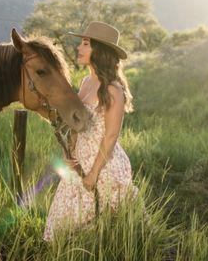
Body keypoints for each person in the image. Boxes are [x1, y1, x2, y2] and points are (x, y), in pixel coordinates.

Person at [43, 21, 138, 242]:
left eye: (85, 44)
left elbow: (111, 135)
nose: (79, 48)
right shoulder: (85, 82)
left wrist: (94, 173)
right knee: (61, 228)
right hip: (80, 162)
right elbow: (78, 123)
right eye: (81, 43)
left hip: (102, 163)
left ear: (100, 51)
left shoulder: (113, 89)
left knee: (100, 229)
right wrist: (71, 154)